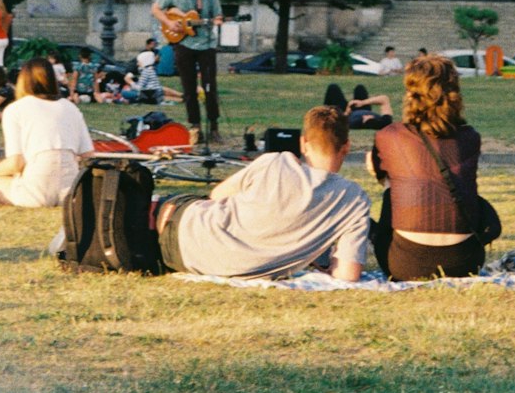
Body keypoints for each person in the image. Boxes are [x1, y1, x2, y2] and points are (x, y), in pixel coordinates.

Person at [155, 105, 370, 281]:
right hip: (188, 260)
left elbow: (217, 195)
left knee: (164, 204)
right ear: (347, 146)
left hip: (189, 233)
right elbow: (347, 274)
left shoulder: (277, 161)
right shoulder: (354, 200)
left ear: (303, 144)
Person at [368, 53, 496, 281]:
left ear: (411, 94)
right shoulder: (470, 137)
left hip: (404, 264)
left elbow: (379, 173)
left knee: (392, 187)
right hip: (465, 261)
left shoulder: (391, 136)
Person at [0, 58, 93, 207]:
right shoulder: (71, 108)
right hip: (70, 193)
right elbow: (87, 156)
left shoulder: (16, 109)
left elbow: (15, 164)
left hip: (34, 194)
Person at [152, 0, 222, 145]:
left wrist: (217, 21)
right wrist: (168, 23)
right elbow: (156, 9)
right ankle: (195, 126)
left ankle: (214, 126)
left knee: (209, 88)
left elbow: (218, 16)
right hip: (184, 44)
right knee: (188, 88)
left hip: (206, 45)